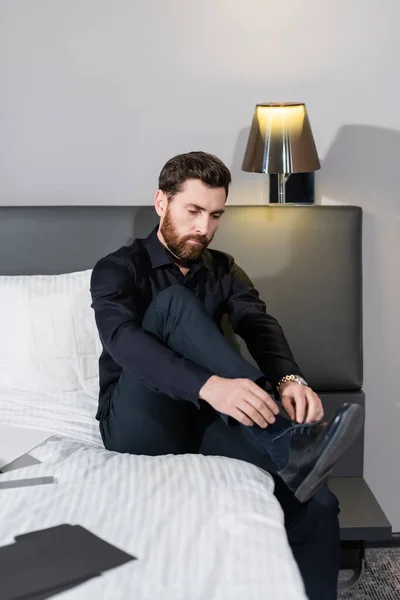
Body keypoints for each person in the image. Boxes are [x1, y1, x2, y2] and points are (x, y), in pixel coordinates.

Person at [90, 151, 364, 600]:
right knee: (174, 304)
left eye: (215, 215)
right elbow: (124, 342)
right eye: (193, 211)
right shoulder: (119, 268)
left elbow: (257, 323)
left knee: (317, 503)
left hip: (203, 421)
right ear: (161, 202)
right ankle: (285, 436)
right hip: (138, 427)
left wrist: (289, 380)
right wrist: (211, 385)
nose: (204, 227)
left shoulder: (224, 268)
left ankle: (288, 448)